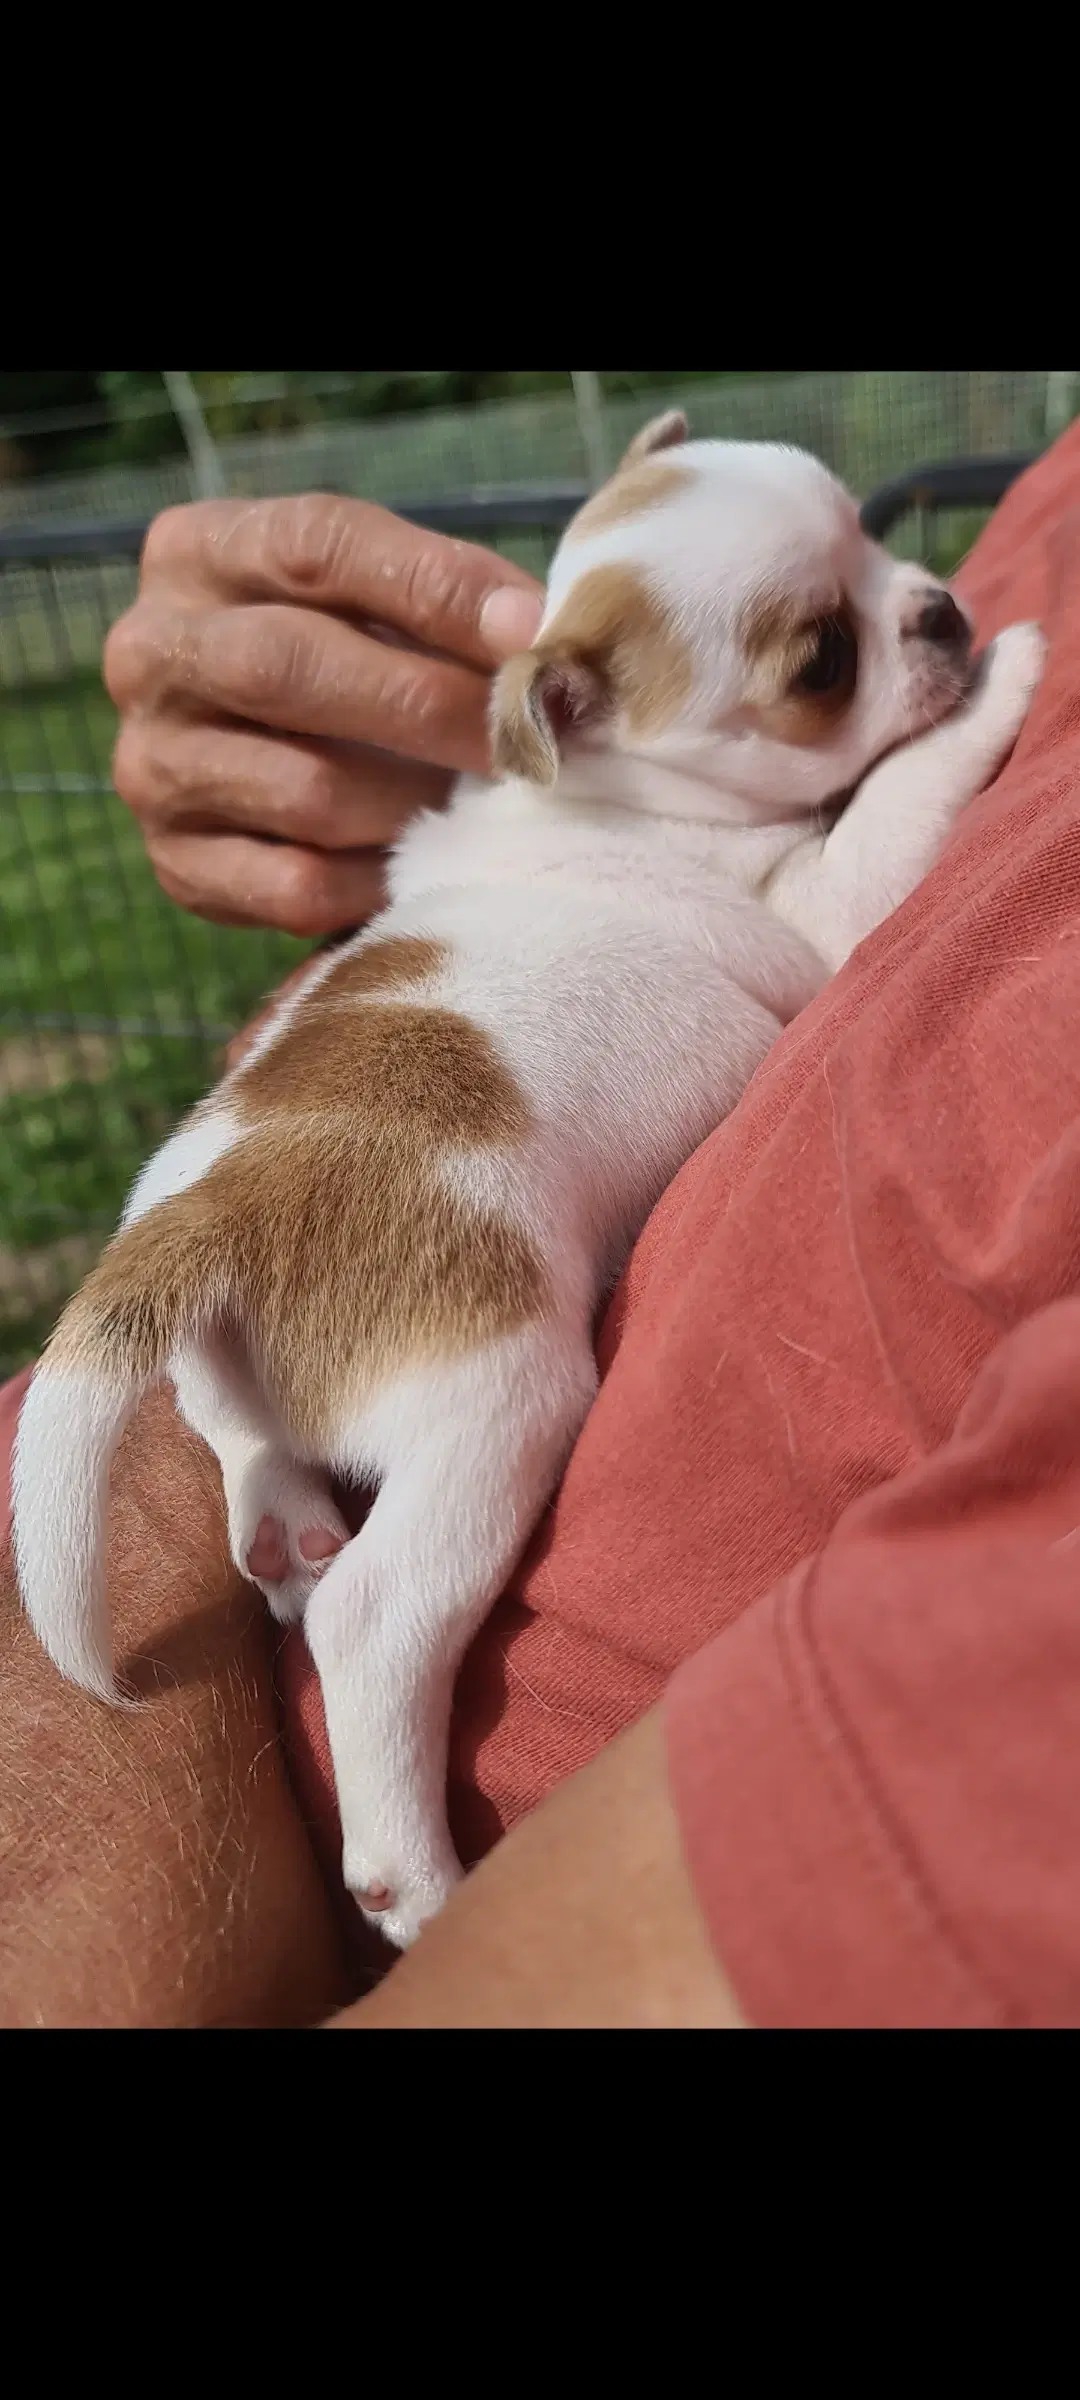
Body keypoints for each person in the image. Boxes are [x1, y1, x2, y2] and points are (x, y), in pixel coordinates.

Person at [3, 428, 1080, 2027]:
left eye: (867, 550)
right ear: (573, 715)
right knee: (511, 1386)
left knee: (267, 1213)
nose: (918, 606)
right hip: (430, 1202)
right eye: (821, 651)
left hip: (243, 1199)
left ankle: (255, 1442)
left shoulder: (533, 822)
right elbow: (837, 927)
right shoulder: (675, 835)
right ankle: (390, 1776)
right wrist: (969, 717)